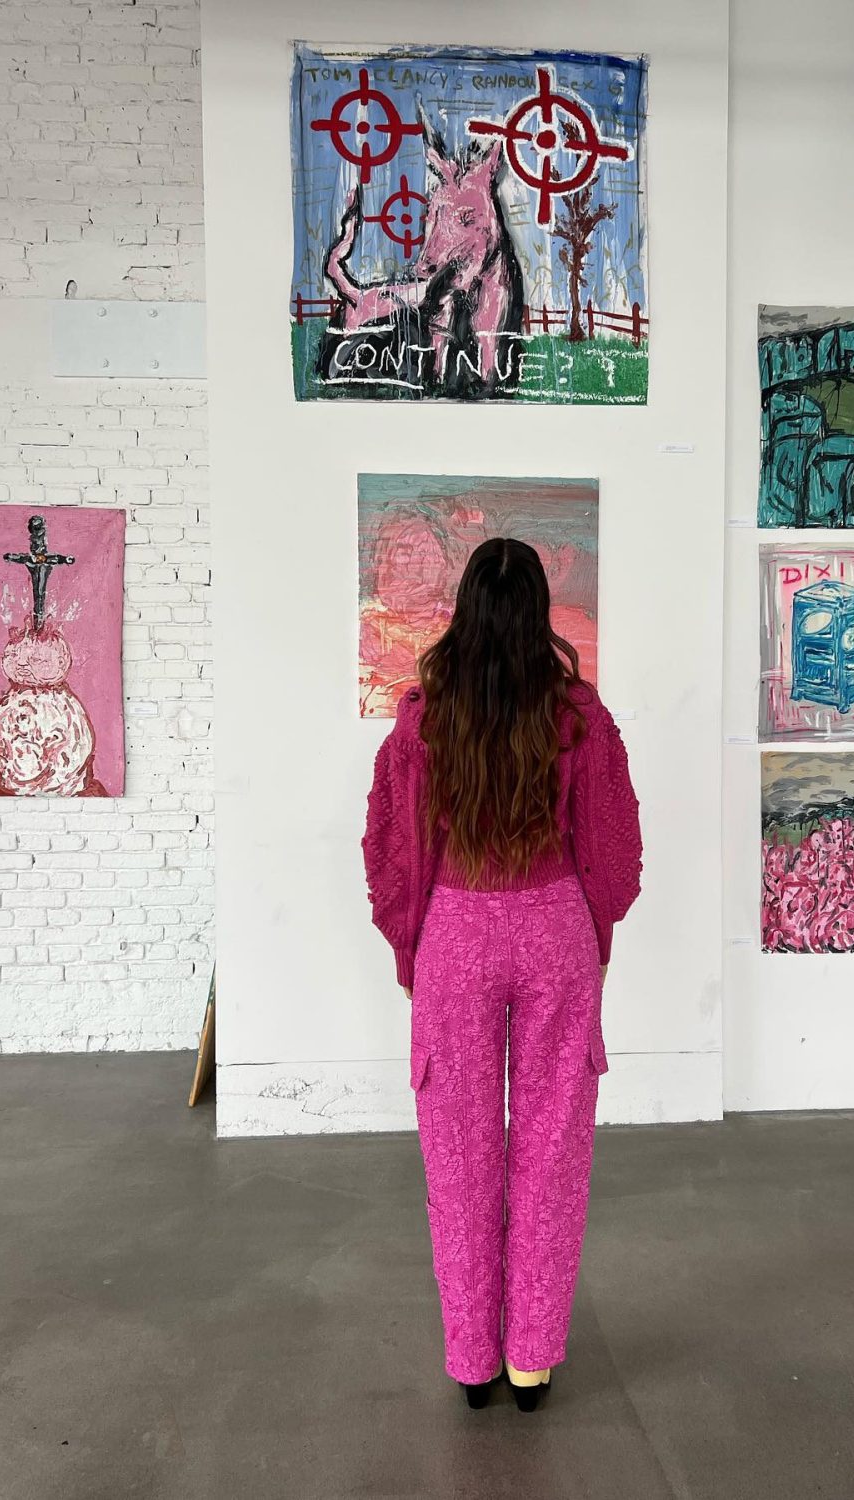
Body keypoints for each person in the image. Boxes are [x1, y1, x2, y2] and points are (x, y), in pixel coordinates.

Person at [362, 537, 642, 1412]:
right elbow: (611, 847)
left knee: (459, 1151)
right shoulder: (581, 717)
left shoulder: (424, 719)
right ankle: (531, 1360)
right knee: (554, 1150)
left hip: (457, 932)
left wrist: (410, 945)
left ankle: (474, 1361)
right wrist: (597, 936)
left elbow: (397, 848)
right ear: (539, 615)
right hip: (555, 927)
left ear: (466, 611)